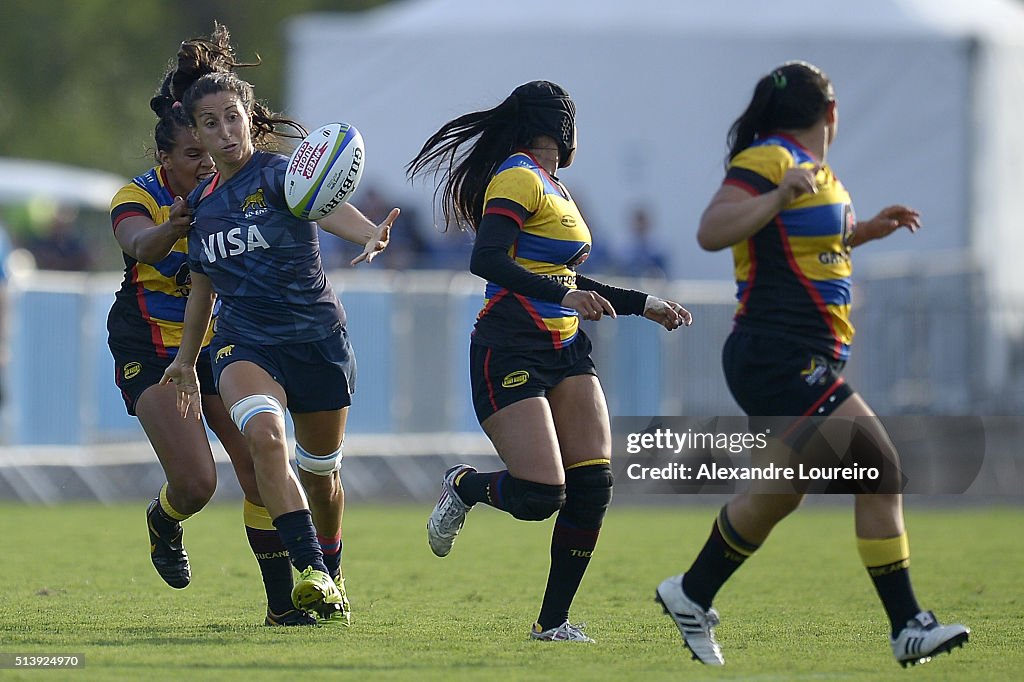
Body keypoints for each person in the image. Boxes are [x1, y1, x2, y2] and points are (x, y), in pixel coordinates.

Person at [654, 61, 969, 667]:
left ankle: (690, 593)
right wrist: (775, 194)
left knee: (780, 492)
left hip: (793, 352)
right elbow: (711, 230)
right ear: (831, 113)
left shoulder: (819, 175)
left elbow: (802, 241)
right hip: (777, 352)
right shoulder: (769, 161)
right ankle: (908, 624)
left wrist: (865, 231)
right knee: (878, 465)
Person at [407, 80, 692, 642]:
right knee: (542, 495)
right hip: (509, 345)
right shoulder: (515, 176)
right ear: (560, 127)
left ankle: (552, 623)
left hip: (565, 350)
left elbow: (563, 275)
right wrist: (562, 297)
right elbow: (486, 260)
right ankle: (464, 486)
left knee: (594, 486)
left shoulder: (554, 188)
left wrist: (642, 304)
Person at [159, 24, 397, 626]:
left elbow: (326, 203)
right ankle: (311, 571)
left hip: (317, 338)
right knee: (267, 442)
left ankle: (332, 577)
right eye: (209, 122)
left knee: (322, 476)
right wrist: (188, 359)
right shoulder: (203, 208)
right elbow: (204, 288)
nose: (223, 130)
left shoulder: (282, 175)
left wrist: (368, 232)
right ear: (197, 133)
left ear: (247, 118)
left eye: (231, 117)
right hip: (245, 345)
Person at [108, 69, 318, 626]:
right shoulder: (139, 196)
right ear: (164, 157)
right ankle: (164, 516)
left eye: (209, 152)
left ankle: (279, 607)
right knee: (199, 483)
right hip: (151, 346)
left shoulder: (228, 190)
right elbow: (139, 246)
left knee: (255, 462)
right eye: (191, 153)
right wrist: (175, 228)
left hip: (216, 342)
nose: (205, 162)